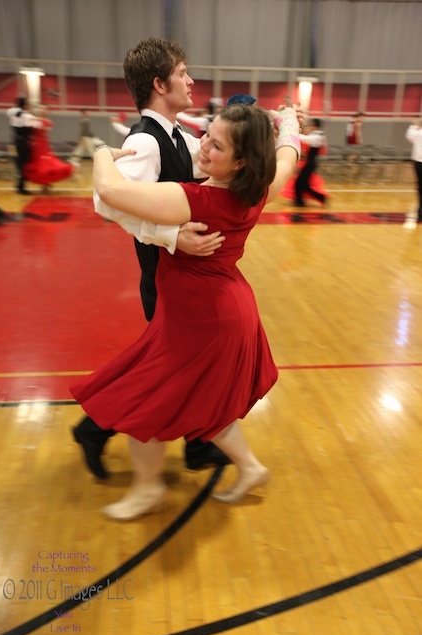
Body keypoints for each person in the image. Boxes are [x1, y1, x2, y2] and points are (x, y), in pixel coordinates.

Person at [70, 102, 301, 520]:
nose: (204, 146)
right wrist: (287, 121)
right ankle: (250, 468)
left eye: (217, 146)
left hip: (203, 319)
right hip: (218, 309)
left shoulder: (197, 200)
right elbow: (288, 155)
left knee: (144, 404)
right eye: (207, 135)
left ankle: (148, 489)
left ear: (241, 160)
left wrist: (102, 151)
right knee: (202, 403)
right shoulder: (260, 185)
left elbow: (110, 192)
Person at [72, 38, 228, 479]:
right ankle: (95, 429)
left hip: (179, 278)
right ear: (160, 83)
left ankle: (195, 443)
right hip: (163, 280)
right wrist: (170, 234)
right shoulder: (146, 141)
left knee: (185, 365)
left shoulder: (177, 134)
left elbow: (205, 162)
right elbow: (108, 203)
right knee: (166, 372)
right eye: (183, 72)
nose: (191, 79)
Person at [23, 105, 74, 191]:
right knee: (38, 162)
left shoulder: (46, 121)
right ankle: (45, 184)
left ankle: (46, 184)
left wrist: (34, 119)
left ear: (47, 111)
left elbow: (45, 126)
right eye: (40, 108)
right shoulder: (34, 120)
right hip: (35, 144)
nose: (41, 110)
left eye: (44, 109)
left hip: (43, 143)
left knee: (46, 162)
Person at [6, 97, 42, 194]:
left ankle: (20, 185)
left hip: (15, 142)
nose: (29, 106)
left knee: (20, 165)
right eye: (27, 104)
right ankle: (21, 187)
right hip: (22, 143)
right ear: (24, 105)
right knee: (23, 165)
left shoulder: (15, 114)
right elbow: (37, 124)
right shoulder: (24, 116)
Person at [293, 118, 327, 207]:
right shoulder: (317, 134)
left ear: (315, 126)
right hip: (310, 162)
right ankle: (299, 201)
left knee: (301, 182)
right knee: (302, 182)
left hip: (311, 163)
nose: (310, 127)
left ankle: (320, 197)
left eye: (311, 125)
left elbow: (306, 139)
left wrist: (292, 131)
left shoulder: (318, 136)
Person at [405, 118, 422, 223]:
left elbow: (409, 136)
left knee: (420, 186)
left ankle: (420, 208)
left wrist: (413, 125)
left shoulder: (418, 133)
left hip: (419, 162)